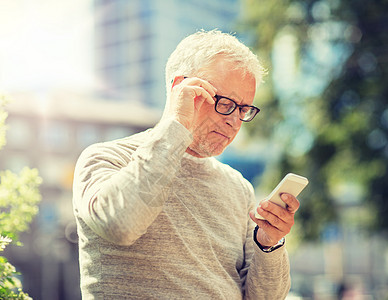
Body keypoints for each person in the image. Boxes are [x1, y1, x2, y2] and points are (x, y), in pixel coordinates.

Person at [73, 29, 300, 299]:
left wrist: (268, 245)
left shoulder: (239, 188)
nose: (235, 121)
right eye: (225, 103)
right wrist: (177, 125)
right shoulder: (106, 158)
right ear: (180, 88)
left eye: (243, 109)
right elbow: (121, 225)